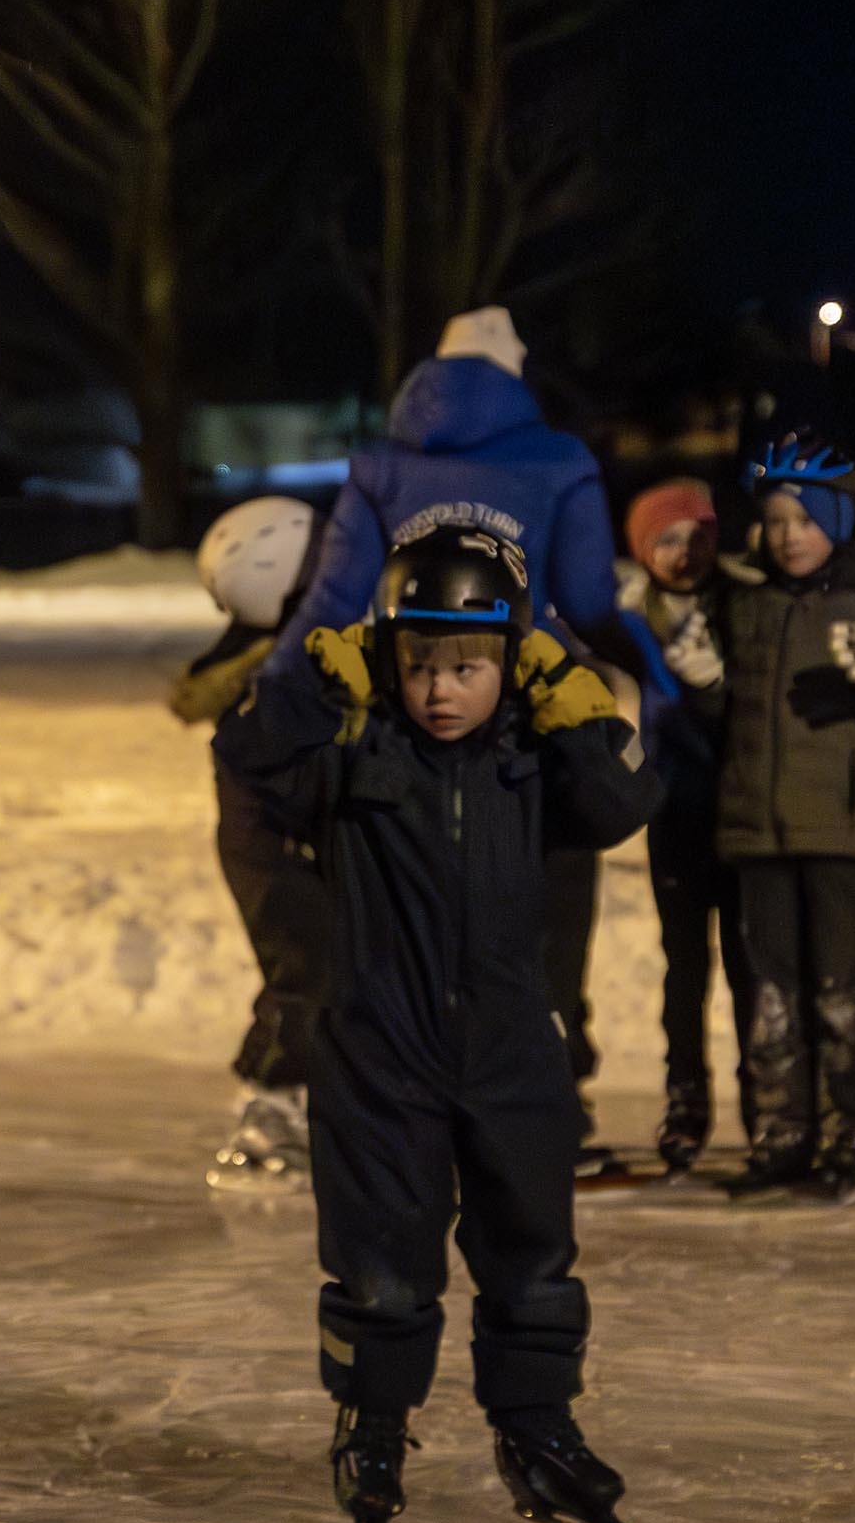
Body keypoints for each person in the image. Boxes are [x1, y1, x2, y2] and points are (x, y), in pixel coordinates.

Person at [224, 527, 661, 1523]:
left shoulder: (535, 747)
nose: (439, 689)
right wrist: (309, 683)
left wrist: (577, 707)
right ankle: (372, 1423)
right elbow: (248, 759)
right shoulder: (353, 746)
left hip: (511, 1045)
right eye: (418, 663)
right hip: (379, 1048)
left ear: (510, 659)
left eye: (466, 665)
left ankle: (536, 1424)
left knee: (532, 1255)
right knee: (380, 1260)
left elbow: (619, 805)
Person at [267, 308, 630, 1166]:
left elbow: (332, 602)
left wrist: (276, 698)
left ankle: (423, 1103)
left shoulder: (382, 463)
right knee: (546, 907)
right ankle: (550, 1100)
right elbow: (589, 601)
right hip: (531, 716)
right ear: (513, 372)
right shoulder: (557, 461)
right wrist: (649, 679)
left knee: (423, 913)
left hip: (413, 711)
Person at [676, 433, 855, 1203]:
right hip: (755, 830)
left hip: (839, 829)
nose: (790, 535)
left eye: (806, 520)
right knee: (769, 991)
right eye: (778, 520)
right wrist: (700, 683)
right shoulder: (743, 600)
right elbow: (724, 716)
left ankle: (851, 1128)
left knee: (840, 986)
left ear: (839, 523)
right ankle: (780, 1131)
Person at [179, 494, 334, 1188]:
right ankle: (264, 1108)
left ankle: (317, 1107)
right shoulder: (268, 674)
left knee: (329, 970)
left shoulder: (276, 659)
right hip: (270, 848)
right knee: (306, 969)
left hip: (280, 841)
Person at [612, 476, 757, 1171]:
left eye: (697, 535)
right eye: (667, 539)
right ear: (642, 549)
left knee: (752, 965)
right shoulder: (629, 617)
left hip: (746, 809)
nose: (685, 551)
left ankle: (766, 1097)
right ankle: (686, 1098)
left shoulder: (744, 601)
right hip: (674, 811)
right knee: (685, 967)